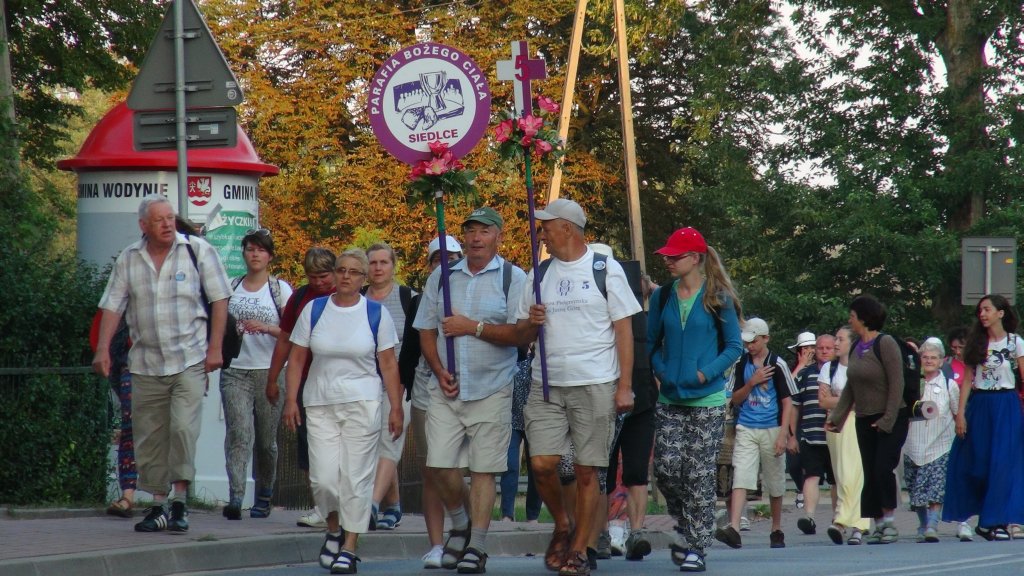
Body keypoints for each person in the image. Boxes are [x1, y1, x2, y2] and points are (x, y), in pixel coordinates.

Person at [515, 199, 641, 576]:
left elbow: (624, 330)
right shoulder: (538, 275)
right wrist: (531, 323)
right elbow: (521, 333)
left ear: (567, 228)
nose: (542, 234)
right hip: (546, 385)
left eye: (546, 227)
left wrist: (625, 386)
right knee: (541, 464)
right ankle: (563, 523)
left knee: (588, 472)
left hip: (595, 384)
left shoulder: (605, 269)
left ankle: (580, 549)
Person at [92, 195, 231, 533]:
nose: (168, 224)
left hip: (189, 359)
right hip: (145, 363)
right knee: (150, 437)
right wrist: (103, 349)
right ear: (144, 225)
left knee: (182, 428)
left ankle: (180, 501)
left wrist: (215, 347)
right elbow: (112, 305)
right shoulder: (130, 258)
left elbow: (220, 298)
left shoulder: (197, 251)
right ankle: (157, 506)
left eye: (170, 217)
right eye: (159, 220)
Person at [413, 207, 527, 574]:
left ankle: (476, 544)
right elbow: (426, 329)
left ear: (499, 236)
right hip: (446, 388)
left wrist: (471, 327)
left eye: (484, 231)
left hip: (493, 386)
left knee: (483, 470)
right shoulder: (442, 277)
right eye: (471, 231)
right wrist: (438, 369)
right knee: (439, 465)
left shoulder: (513, 277)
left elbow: (520, 334)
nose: (476, 238)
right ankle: (460, 524)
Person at [282, 248, 404, 575]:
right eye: (341, 270)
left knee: (355, 478)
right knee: (323, 479)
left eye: (353, 271)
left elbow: (388, 364)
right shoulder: (314, 310)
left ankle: (350, 546)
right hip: (320, 403)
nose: (346, 276)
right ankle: (334, 530)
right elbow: (296, 358)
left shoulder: (375, 314)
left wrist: (395, 408)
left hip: (363, 404)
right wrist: (291, 399)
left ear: (364, 278)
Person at [646, 227, 743, 573]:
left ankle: (697, 547)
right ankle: (691, 525)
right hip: (670, 398)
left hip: (708, 400)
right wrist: (661, 371)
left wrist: (705, 374)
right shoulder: (663, 296)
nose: (669, 261)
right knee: (667, 470)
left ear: (696, 258)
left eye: (676, 256)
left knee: (698, 475)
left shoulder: (718, 297)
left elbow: (734, 346)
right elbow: (651, 344)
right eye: (667, 256)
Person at [220, 228, 293, 519]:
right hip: (235, 370)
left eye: (261, 250)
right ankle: (236, 496)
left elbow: (291, 333)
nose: (255, 254)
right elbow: (220, 324)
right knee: (239, 434)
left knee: (265, 441)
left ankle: (265, 492)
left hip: (269, 371)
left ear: (270, 256)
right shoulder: (231, 286)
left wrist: (267, 327)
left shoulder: (280, 290)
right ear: (244, 253)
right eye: (250, 249)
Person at [825, 295, 908, 545]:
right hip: (864, 418)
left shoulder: (886, 343)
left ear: (864, 318)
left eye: (852, 316)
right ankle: (879, 525)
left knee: (883, 468)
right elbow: (851, 387)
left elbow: (897, 383)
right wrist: (837, 418)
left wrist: (888, 419)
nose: (849, 320)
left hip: (890, 417)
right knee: (870, 472)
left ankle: (890, 522)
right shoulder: (856, 348)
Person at [942, 294, 1024, 541]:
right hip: (980, 405)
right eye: (980, 310)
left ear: (1001, 313)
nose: (982, 314)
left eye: (987, 309)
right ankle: (982, 518)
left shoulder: (1015, 342)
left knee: (1003, 463)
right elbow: (968, 380)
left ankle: (995, 522)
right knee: (977, 463)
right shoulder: (977, 343)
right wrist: (960, 414)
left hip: (1006, 404)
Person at [266, 247, 337, 529]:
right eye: (312, 277)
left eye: (324, 276)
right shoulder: (299, 298)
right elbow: (285, 340)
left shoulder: (346, 296)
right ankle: (320, 506)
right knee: (310, 445)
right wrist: (273, 379)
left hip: (341, 381)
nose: (318, 282)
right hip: (308, 380)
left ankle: (348, 505)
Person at [407, 235, 465, 568]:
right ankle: (436, 544)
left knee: (456, 471)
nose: (444, 264)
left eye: (451, 257)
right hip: (426, 391)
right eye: (437, 259)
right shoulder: (421, 300)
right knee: (431, 469)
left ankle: (466, 527)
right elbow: (410, 350)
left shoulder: (473, 292)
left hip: (466, 393)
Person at [715, 317, 796, 550]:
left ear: (766, 339)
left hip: (772, 427)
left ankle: (776, 528)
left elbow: (788, 401)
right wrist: (751, 382)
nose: (750, 346)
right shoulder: (742, 363)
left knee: (775, 480)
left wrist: (784, 434)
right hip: (747, 426)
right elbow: (735, 398)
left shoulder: (778, 364)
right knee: (741, 475)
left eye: (754, 341)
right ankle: (734, 528)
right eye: (747, 342)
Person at [363, 242, 416, 531]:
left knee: (389, 439)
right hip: (363, 384)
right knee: (374, 446)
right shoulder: (356, 299)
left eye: (384, 262)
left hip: (400, 384)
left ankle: (370, 505)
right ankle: (393, 505)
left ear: (393, 266)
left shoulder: (409, 299)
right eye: (373, 263)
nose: (378, 268)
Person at [817, 326, 870, 545]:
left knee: (854, 475)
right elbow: (823, 401)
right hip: (836, 423)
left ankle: (844, 521)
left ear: (852, 342)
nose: (836, 343)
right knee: (841, 476)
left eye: (840, 339)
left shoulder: (863, 367)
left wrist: (838, 398)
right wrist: (849, 400)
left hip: (859, 423)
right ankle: (856, 523)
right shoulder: (829, 368)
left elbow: (866, 400)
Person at [904, 337, 958, 542]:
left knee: (936, 488)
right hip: (913, 444)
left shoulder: (949, 384)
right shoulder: (911, 383)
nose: (929, 361)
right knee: (915, 489)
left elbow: (957, 412)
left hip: (940, 444)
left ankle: (932, 525)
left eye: (933, 358)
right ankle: (923, 523)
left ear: (941, 361)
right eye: (925, 357)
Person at [789, 332, 837, 536]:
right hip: (811, 435)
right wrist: (792, 435)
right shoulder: (805, 374)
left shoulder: (842, 372)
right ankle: (809, 517)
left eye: (828, 348)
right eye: (820, 348)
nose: (824, 351)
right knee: (811, 476)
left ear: (835, 350)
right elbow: (794, 406)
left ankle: (838, 520)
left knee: (837, 480)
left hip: (837, 435)